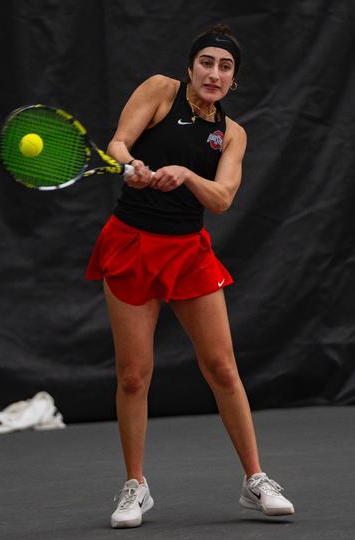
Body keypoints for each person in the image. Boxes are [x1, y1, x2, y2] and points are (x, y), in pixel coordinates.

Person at [86, 23, 294, 528]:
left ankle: (255, 481)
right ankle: (135, 485)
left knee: (222, 369)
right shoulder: (160, 91)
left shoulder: (234, 134)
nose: (214, 73)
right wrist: (132, 164)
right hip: (131, 243)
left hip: (188, 253)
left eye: (225, 67)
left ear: (234, 80)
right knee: (134, 376)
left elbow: (222, 199)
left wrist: (185, 174)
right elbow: (117, 143)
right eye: (207, 62)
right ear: (191, 66)